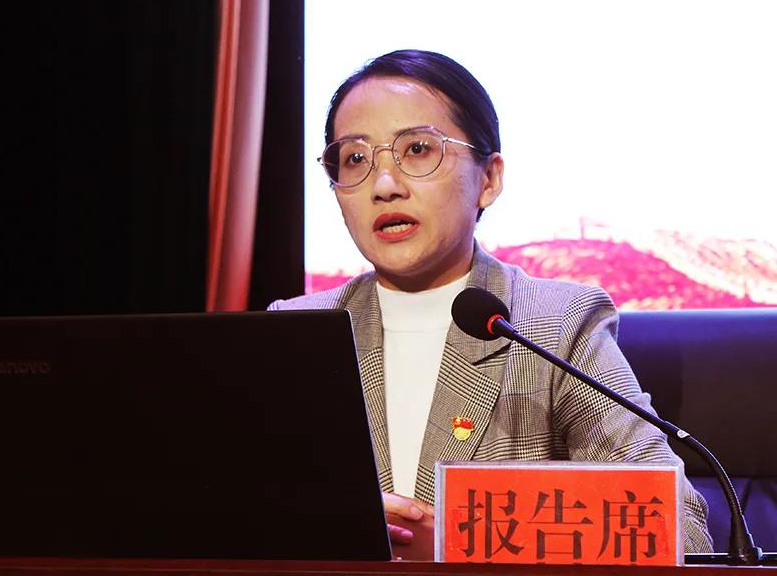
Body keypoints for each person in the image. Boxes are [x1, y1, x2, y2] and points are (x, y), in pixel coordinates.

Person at [268, 49, 712, 558]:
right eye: (355, 159)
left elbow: (678, 528)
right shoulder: (296, 330)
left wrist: (461, 542)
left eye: (417, 150)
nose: (384, 186)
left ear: (489, 178)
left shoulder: (555, 324)